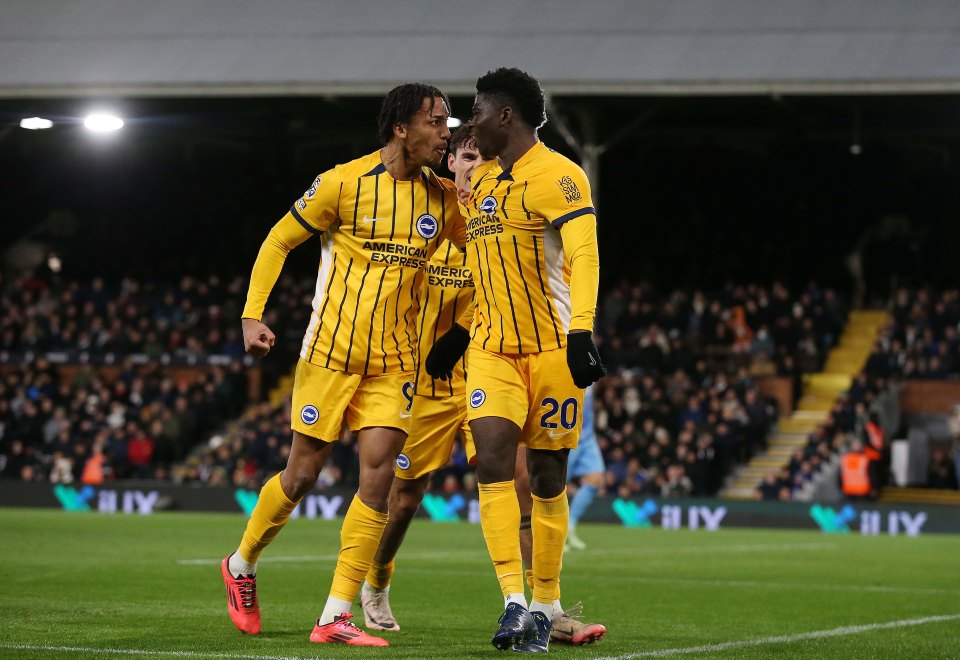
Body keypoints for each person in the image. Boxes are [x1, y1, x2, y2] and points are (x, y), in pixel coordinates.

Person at [220, 83, 466, 647]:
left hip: (398, 362)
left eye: (448, 123)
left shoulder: (444, 198)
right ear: (401, 128)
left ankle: (335, 614)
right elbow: (279, 240)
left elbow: (485, 247)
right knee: (302, 474)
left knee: (377, 478)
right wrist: (251, 315)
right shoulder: (343, 182)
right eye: (435, 122)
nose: (444, 133)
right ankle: (241, 564)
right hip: (331, 352)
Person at [359, 127, 606, 647]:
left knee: (520, 479)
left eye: (481, 157)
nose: (474, 165)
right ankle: (376, 583)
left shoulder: (497, 211)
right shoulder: (434, 221)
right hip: (428, 378)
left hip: (488, 364)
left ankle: (539, 609)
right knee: (405, 498)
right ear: (450, 163)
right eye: (466, 157)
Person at [426, 67, 605, 652]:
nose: (469, 121)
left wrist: (582, 332)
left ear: (505, 116)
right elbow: (486, 269)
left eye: (477, 111)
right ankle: (513, 603)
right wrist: (461, 333)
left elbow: (585, 253)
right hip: (492, 354)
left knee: (550, 476)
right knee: (494, 465)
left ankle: (547, 603)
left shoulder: (559, 176)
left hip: (553, 350)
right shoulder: (484, 186)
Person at [563, 384, 605, 551]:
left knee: (596, 479)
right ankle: (551, 535)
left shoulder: (591, 358)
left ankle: (569, 526)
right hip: (566, 432)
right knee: (555, 486)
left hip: (586, 436)